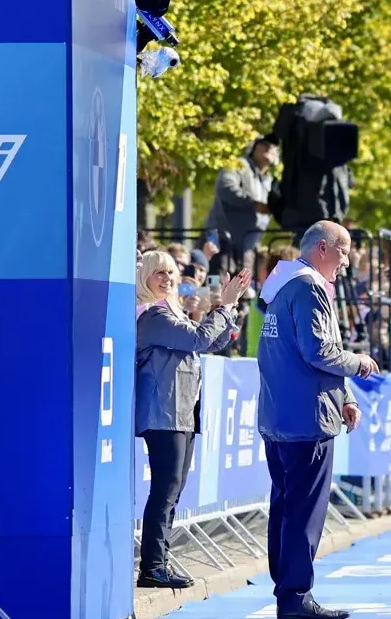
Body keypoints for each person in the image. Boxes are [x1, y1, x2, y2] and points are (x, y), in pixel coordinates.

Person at [257, 221, 380, 619]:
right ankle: (295, 598)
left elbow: (307, 351)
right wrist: (359, 363)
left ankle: (288, 595)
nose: (346, 262)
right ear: (323, 248)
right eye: (343, 252)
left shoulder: (281, 285)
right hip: (307, 419)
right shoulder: (308, 287)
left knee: (286, 508)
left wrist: (342, 396)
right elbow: (320, 351)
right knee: (302, 513)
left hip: (281, 416)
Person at [134, 250, 248, 589]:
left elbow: (208, 343)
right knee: (165, 490)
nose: (168, 279)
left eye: (171, 273)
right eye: (160, 274)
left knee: (174, 490)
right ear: (145, 279)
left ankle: (161, 562)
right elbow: (198, 338)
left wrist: (228, 310)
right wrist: (224, 307)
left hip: (181, 410)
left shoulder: (171, 312)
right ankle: (152, 566)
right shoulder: (152, 316)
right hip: (163, 413)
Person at [206, 135, 277, 264]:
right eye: (264, 143)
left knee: (245, 284)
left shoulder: (269, 180)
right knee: (216, 283)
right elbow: (225, 189)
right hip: (221, 244)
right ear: (253, 147)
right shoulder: (238, 165)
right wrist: (254, 205)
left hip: (248, 248)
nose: (269, 147)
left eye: (273, 146)